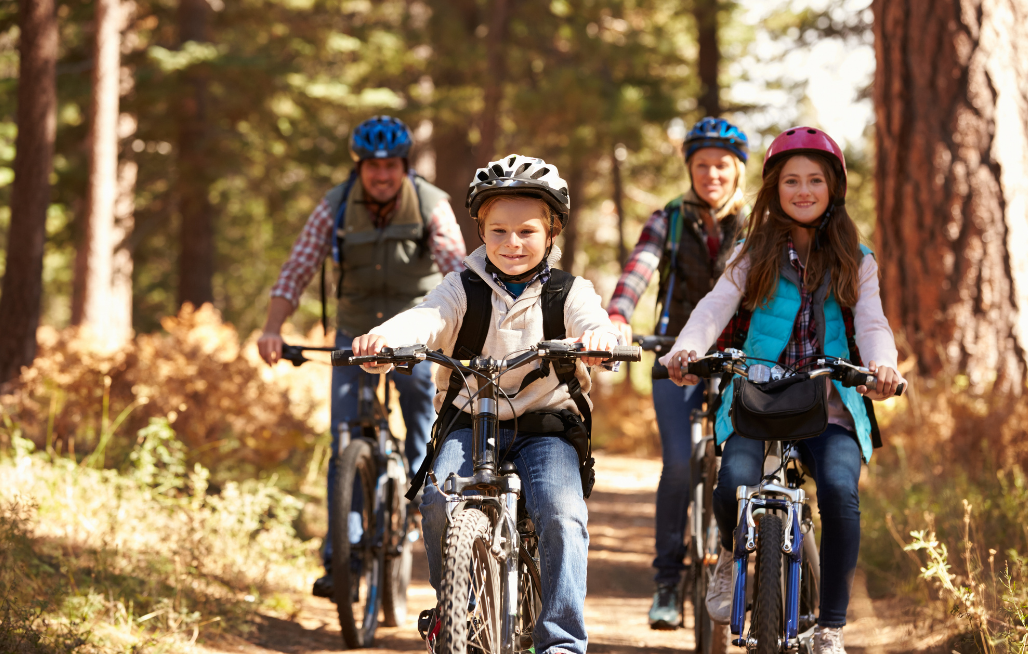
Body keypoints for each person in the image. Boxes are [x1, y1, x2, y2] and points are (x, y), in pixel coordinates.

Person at [350, 155, 619, 654]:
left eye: (527, 231)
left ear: (552, 231)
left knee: (562, 513)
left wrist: (600, 340)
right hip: (469, 423)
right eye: (498, 231)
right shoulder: (462, 287)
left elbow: (593, 322)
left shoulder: (569, 292)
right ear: (480, 231)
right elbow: (425, 318)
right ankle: (459, 609)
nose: (511, 243)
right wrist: (383, 341)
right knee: (437, 499)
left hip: (547, 428)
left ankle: (561, 642)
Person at [661, 127, 904, 654]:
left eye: (815, 180)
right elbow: (714, 306)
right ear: (773, 188)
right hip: (756, 398)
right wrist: (686, 349)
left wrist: (882, 364)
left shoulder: (856, 258)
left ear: (833, 187)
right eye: (791, 180)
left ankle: (832, 626)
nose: (803, 190)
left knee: (840, 493)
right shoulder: (753, 251)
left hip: (830, 401)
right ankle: (731, 552)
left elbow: (872, 323)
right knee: (733, 487)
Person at [257, 116, 467, 598]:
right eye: (371, 167)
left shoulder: (432, 205)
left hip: (413, 332)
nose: (381, 176)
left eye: (390, 166)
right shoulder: (334, 206)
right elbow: (297, 269)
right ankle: (342, 559)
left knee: (423, 427)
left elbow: (457, 269)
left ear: (403, 166)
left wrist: (461, 331)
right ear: (359, 168)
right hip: (354, 334)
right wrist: (272, 328)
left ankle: (423, 521)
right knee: (345, 437)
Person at [606, 116, 750, 629]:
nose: (711, 174)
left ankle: (752, 564)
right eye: (702, 165)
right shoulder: (667, 218)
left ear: (738, 170)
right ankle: (667, 583)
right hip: (673, 353)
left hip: (740, 357)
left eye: (721, 166)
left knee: (743, 464)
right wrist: (619, 315)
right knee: (677, 465)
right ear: (690, 168)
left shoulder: (758, 222)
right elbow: (640, 267)